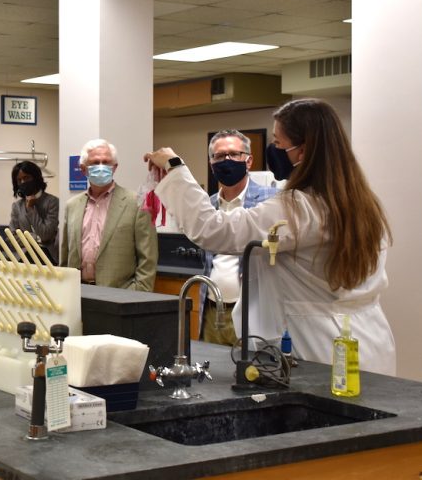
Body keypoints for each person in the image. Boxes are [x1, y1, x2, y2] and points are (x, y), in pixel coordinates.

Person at [145, 98, 395, 375]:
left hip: (319, 350)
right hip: (369, 341)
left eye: (278, 142)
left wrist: (175, 167)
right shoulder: (362, 205)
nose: (273, 150)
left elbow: (215, 230)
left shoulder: (301, 207)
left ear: (303, 151)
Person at [199, 130, 277, 345]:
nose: (227, 161)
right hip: (213, 310)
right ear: (211, 162)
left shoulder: (270, 201)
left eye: (234, 154)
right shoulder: (208, 205)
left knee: (249, 371)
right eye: (219, 156)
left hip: (251, 310)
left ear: (248, 160)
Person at [60, 139, 158, 291]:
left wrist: (138, 293)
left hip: (120, 296)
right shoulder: (72, 206)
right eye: (95, 162)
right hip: (77, 293)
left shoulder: (137, 203)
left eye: (106, 162)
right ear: (84, 169)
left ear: (114, 167)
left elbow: (148, 258)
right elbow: (65, 257)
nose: (101, 167)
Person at [9, 161, 59, 264]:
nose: (23, 182)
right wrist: (35, 237)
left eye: (26, 178)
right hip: (23, 259)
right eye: (19, 180)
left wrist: (31, 209)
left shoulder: (52, 202)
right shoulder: (17, 206)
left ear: (35, 177)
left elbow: (46, 234)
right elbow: (12, 238)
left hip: (49, 259)